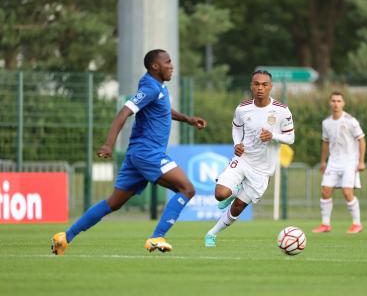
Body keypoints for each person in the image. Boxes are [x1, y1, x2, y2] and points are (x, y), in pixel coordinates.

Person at [51, 49, 207, 255]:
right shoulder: (151, 87)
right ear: (155, 67)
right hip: (148, 152)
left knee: (113, 202)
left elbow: (163, 110)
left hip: (137, 154)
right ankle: (157, 237)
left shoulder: (157, 86)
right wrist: (109, 144)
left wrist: (187, 119)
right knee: (187, 189)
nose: (172, 66)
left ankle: (64, 237)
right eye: (168, 62)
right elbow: (124, 111)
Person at [204, 69, 295, 247]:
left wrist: (273, 136)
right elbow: (236, 127)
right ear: (251, 86)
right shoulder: (242, 108)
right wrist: (237, 143)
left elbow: (290, 138)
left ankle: (211, 234)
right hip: (243, 159)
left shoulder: (282, 111)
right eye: (256, 84)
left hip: (263, 169)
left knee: (238, 206)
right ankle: (236, 189)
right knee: (220, 194)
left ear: (271, 87)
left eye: (264, 84)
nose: (260, 88)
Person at [312, 91, 366, 234]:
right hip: (333, 162)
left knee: (347, 192)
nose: (336, 104)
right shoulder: (326, 123)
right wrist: (323, 162)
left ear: (343, 103)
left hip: (350, 161)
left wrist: (361, 161)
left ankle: (357, 224)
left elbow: (361, 140)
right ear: (330, 103)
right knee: (325, 190)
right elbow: (325, 143)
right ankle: (325, 224)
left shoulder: (351, 121)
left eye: (339, 101)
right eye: (333, 101)